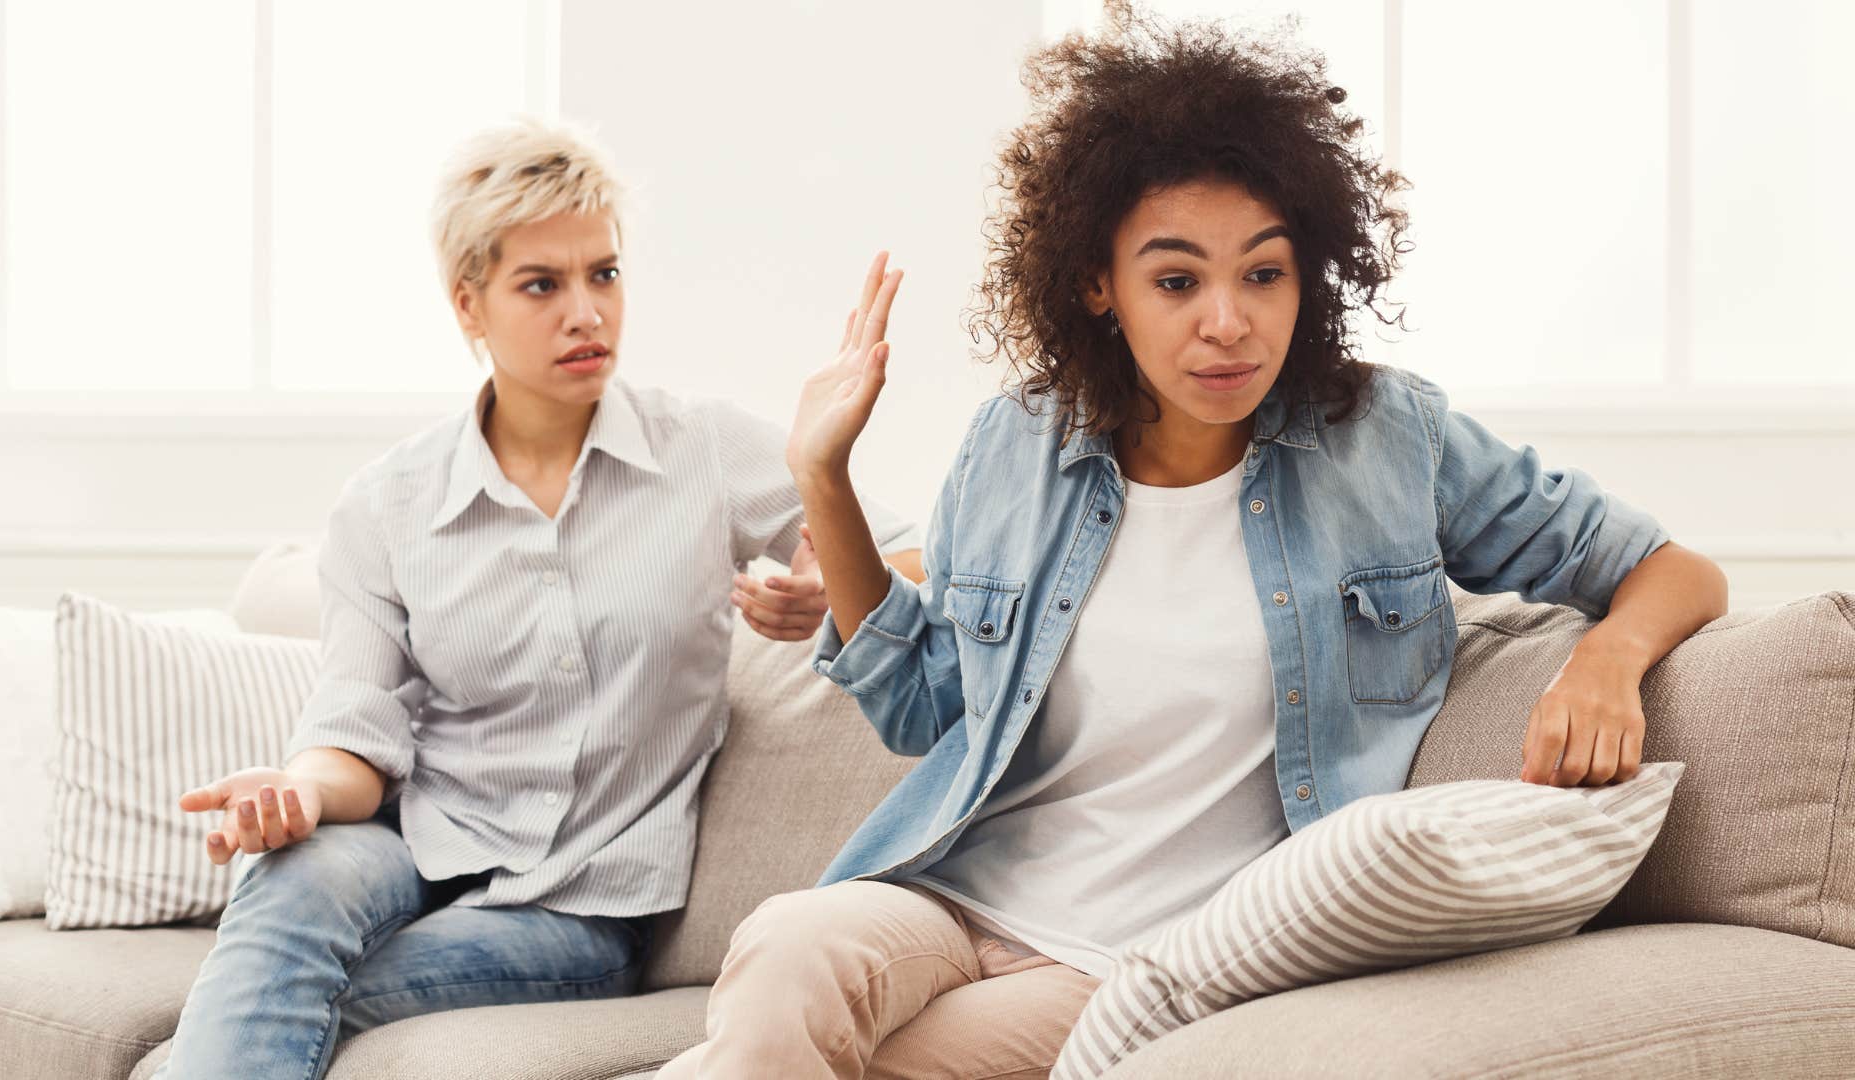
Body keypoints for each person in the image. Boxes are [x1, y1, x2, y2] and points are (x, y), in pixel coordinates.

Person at [660, 12, 1728, 1078]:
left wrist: (1607, 660)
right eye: (1177, 281)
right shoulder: (1017, 444)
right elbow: (923, 710)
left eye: (1263, 274)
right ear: (1099, 286)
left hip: (1131, 962)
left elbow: (1673, 569)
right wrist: (823, 479)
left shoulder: (1388, 439)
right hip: (950, 889)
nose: (1229, 321)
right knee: (784, 950)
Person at [153, 119, 923, 1079]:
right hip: (415, 849)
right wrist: (297, 792)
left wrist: (828, 579)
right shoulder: (387, 506)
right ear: (467, 303)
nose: (587, 313)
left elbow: (916, 552)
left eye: (604, 274)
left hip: (583, 908)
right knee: (290, 886)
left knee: (266, 990)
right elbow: (355, 734)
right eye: (541, 284)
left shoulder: (705, 454)